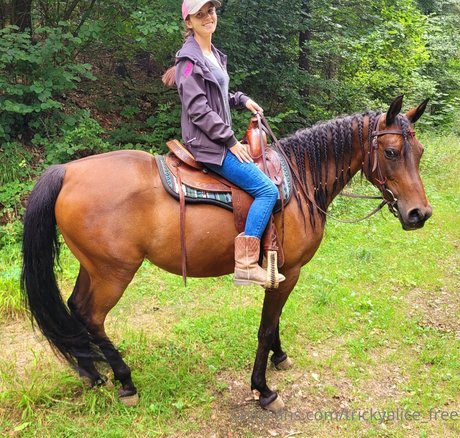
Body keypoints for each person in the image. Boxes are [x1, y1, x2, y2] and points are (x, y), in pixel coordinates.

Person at [163, 0, 285, 288]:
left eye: (211, 11)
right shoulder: (188, 62)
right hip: (208, 145)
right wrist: (230, 142)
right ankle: (246, 264)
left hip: (216, 139)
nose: (208, 17)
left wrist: (241, 99)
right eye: (200, 14)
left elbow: (217, 96)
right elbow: (198, 110)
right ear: (189, 22)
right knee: (267, 190)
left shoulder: (213, 54)